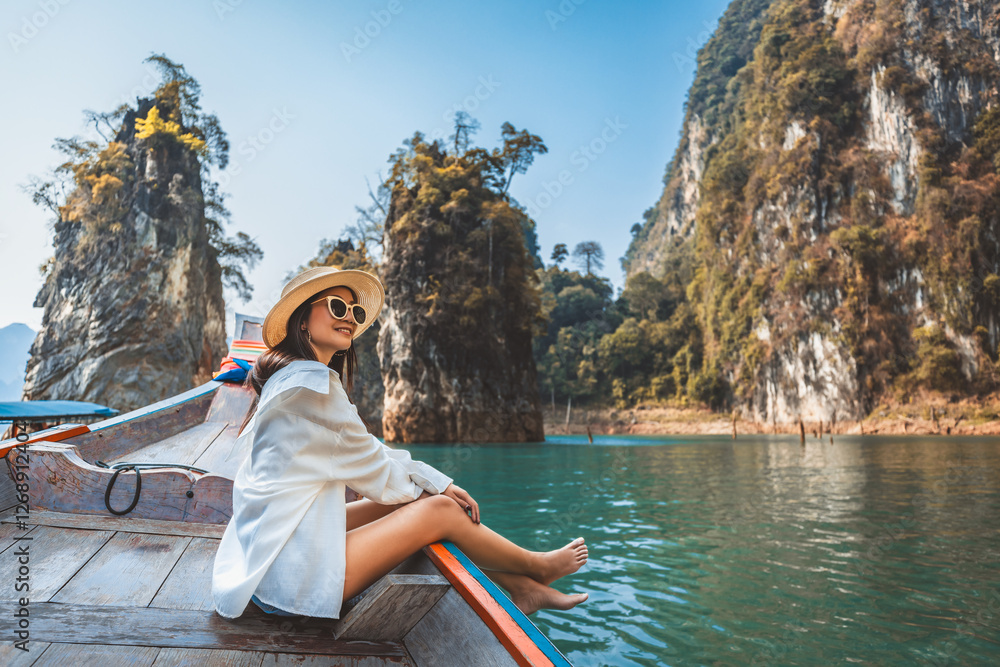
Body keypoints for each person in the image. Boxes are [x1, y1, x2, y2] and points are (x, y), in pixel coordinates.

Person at [212, 266, 589, 619]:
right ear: (302, 320)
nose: (349, 317)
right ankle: (536, 566)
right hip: (291, 583)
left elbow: (368, 448)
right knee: (440, 510)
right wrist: (439, 486)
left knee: (421, 496)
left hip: (268, 559)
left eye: (355, 311)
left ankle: (522, 587)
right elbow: (377, 472)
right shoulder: (312, 387)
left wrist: (435, 480)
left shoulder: (289, 378)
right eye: (338, 306)